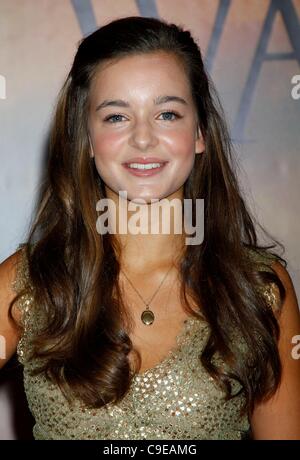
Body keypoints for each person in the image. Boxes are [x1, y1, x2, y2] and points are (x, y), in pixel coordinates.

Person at [0, 16, 299, 441]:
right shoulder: (30, 281)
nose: (143, 139)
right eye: (117, 117)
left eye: (167, 113)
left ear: (199, 133)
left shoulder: (258, 288)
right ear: (85, 135)